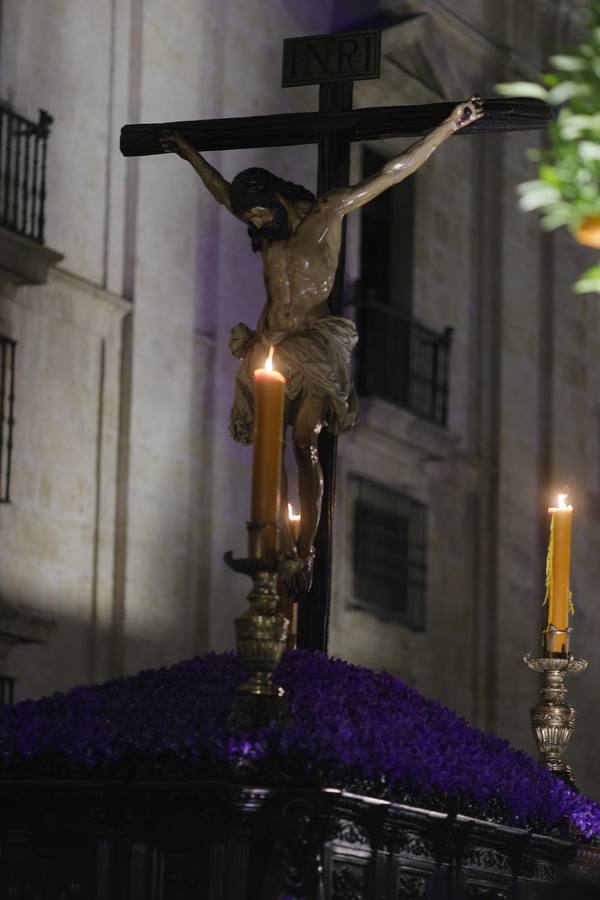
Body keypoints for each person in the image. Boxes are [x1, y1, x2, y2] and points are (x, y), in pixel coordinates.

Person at [160, 95, 483, 588]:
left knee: (304, 441)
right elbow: (224, 193)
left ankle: (305, 547)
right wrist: (189, 154)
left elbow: (393, 172)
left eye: (262, 217)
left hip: (314, 343)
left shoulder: (326, 213)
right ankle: (275, 542)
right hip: (269, 341)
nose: (258, 226)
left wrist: (447, 127)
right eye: (251, 221)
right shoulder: (262, 226)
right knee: (269, 447)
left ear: (275, 199)